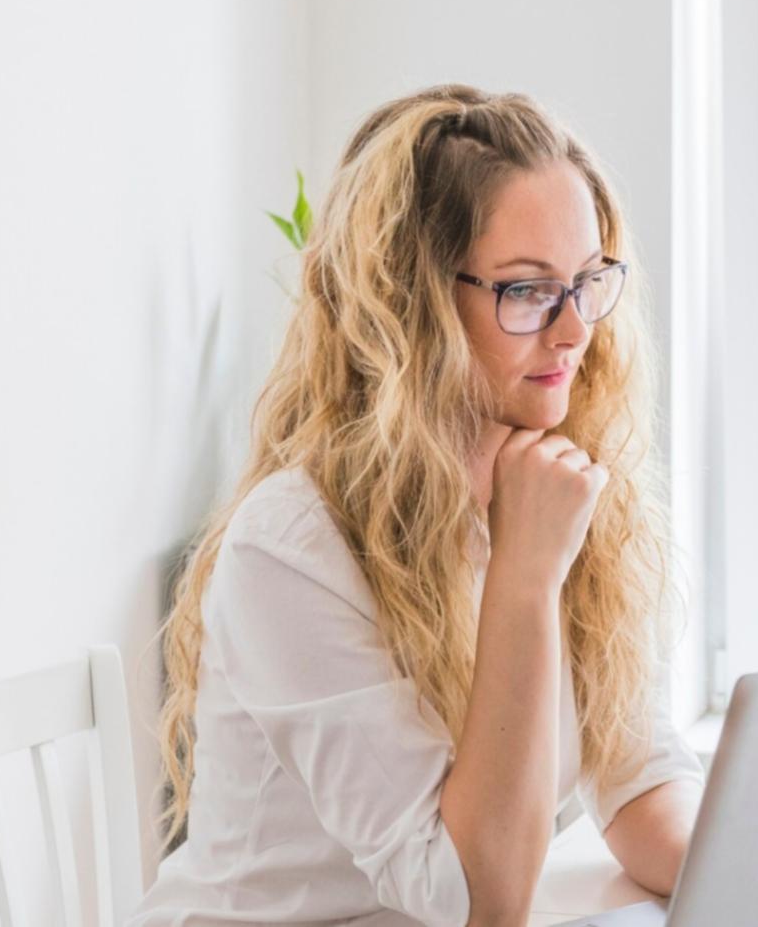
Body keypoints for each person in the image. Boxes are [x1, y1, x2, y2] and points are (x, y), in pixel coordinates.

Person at [127, 83, 706, 927]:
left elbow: (638, 774)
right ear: (412, 305)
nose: (575, 329)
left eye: (587, 280)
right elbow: (474, 902)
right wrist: (524, 577)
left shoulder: (550, 487)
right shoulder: (292, 546)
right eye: (527, 290)